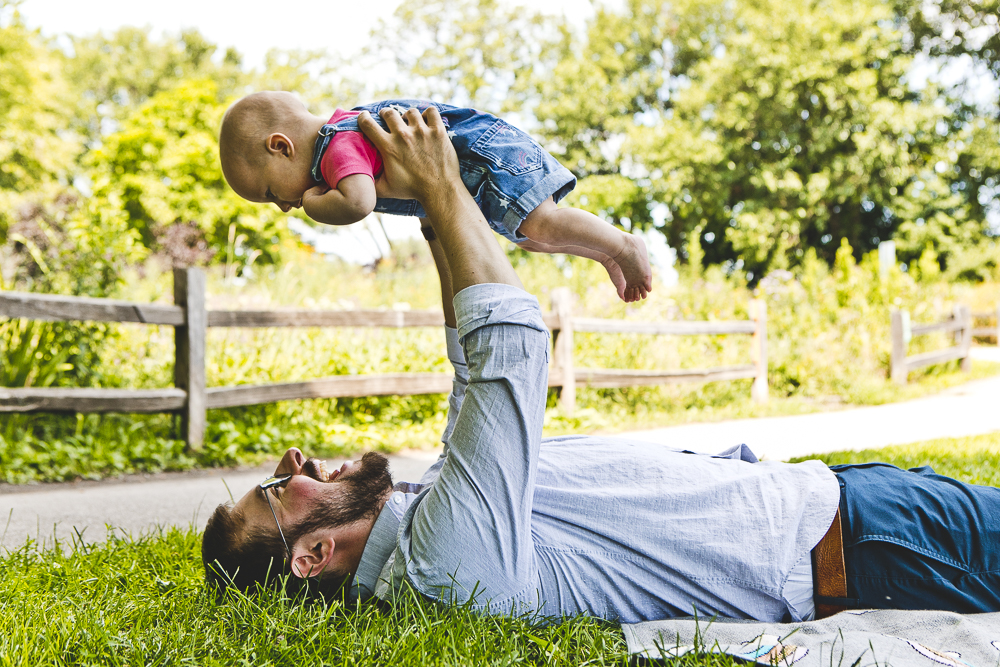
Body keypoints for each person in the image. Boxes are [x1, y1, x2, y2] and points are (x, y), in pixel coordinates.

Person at [203, 106, 1000, 623]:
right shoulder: (444, 565)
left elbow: (470, 370)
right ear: (311, 555)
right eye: (278, 485)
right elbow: (506, 355)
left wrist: (439, 225)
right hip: (869, 544)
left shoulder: (430, 517)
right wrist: (444, 187)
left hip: (843, 502)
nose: (294, 461)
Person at [218, 91, 652, 303]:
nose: (282, 205)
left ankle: (622, 243)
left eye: (272, 192)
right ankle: (606, 253)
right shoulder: (339, 140)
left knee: (540, 224)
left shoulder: (336, 146)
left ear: (281, 146)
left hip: (485, 160)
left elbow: (358, 202)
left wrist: (315, 205)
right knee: (530, 236)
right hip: (478, 168)